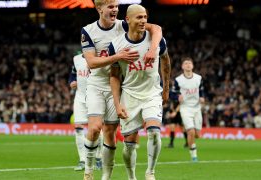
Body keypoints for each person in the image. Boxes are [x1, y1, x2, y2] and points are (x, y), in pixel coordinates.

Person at [81, 0, 163, 179]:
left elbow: (156, 29)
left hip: (117, 85)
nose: (115, 10)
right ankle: (88, 169)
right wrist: (118, 56)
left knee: (110, 133)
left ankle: (106, 175)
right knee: (94, 128)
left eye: (116, 7)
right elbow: (91, 63)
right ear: (99, 9)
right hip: (96, 84)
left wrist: (153, 48)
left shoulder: (125, 23)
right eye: (111, 7)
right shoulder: (88, 31)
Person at [109, 4, 171, 180]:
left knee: (154, 131)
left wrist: (166, 88)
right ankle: (131, 177)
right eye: (139, 17)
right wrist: (117, 103)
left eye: (145, 17)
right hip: (129, 95)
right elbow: (114, 76)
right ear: (128, 19)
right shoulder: (116, 45)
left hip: (152, 93)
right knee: (129, 146)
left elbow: (166, 61)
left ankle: (150, 172)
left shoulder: (157, 39)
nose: (143, 21)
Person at [69, 54, 103, 171]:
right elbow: (73, 74)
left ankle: (99, 158)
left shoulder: (98, 57)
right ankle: (82, 160)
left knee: (96, 128)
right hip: (80, 98)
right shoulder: (76, 59)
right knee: (78, 128)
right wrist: (72, 81)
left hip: (94, 97)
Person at [174, 57, 205, 162]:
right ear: (182, 66)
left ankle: (192, 142)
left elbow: (202, 90)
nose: (188, 65)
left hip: (197, 108)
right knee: (190, 131)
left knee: (197, 134)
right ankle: (194, 155)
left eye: (189, 63)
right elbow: (173, 92)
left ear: (193, 66)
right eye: (185, 63)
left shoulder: (198, 78)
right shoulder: (178, 80)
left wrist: (202, 97)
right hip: (185, 108)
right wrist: (177, 96)